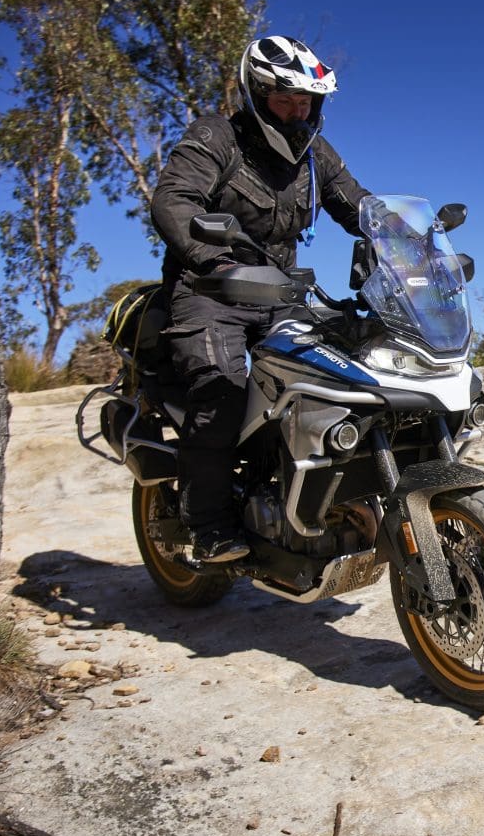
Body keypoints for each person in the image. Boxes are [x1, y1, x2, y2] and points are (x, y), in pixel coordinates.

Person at [151, 35, 371, 563]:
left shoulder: (315, 156)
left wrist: (407, 240)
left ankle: (319, 502)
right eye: (284, 100)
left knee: (342, 380)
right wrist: (214, 261)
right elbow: (174, 201)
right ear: (256, 95)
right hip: (211, 290)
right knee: (222, 392)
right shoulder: (217, 138)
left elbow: (360, 206)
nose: (297, 113)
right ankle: (208, 526)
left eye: (305, 102)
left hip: (282, 293)